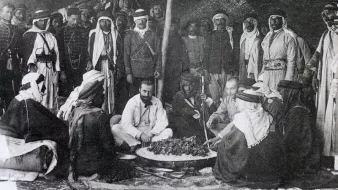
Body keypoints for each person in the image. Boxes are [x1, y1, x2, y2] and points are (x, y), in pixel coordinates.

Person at [206, 89, 285, 188]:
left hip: (247, 165)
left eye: (238, 102)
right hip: (267, 168)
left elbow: (232, 140)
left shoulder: (242, 117)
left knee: (225, 144)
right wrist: (219, 137)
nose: (236, 104)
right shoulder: (267, 116)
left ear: (246, 103)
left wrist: (223, 142)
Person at [0, 72, 69, 176]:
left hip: (8, 135)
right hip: (10, 139)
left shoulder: (21, 98)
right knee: (56, 142)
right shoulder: (27, 103)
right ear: (34, 86)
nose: (43, 92)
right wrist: (62, 129)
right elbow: (34, 127)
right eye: (41, 88)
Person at [57, 70, 116, 182]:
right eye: (101, 93)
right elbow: (109, 148)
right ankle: (96, 176)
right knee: (127, 169)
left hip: (77, 166)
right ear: (93, 97)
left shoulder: (75, 110)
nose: (103, 96)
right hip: (94, 167)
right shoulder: (100, 116)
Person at [307, 2, 338, 158]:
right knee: (324, 112)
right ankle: (327, 153)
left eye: (332, 15)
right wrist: (311, 75)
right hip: (325, 79)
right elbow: (316, 56)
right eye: (327, 17)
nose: (330, 21)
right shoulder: (325, 35)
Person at [276, 80, 320, 179]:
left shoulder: (298, 112)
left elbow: (291, 142)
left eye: (281, 92)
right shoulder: (293, 109)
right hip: (297, 155)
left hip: (303, 161)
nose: (279, 96)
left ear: (289, 94)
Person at [111, 80, 173, 150]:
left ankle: (151, 145)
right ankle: (136, 144)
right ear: (139, 90)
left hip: (151, 135)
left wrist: (151, 134)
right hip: (135, 135)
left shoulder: (157, 102)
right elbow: (126, 124)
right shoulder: (132, 102)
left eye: (149, 92)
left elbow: (162, 122)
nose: (147, 95)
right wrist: (140, 135)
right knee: (115, 128)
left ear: (152, 92)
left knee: (169, 131)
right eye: (144, 91)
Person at [21, 8, 60, 110]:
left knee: (51, 91)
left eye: (45, 20)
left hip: (50, 68)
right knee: (40, 90)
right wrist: (32, 71)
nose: (43, 23)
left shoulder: (51, 36)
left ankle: (50, 114)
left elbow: (56, 54)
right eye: (40, 21)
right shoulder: (29, 35)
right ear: (35, 22)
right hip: (38, 68)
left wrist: (57, 70)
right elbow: (27, 55)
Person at [87, 11, 123, 115]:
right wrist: (89, 62)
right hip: (98, 65)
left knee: (110, 87)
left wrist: (119, 67)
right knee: (98, 87)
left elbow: (119, 53)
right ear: (99, 22)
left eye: (107, 21)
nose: (105, 23)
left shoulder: (115, 34)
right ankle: (98, 112)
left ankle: (109, 111)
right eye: (102, 21)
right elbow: (89, 51)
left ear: (111, 22)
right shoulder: (93, 34)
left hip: (110, 65)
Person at [124, 9, 161, 96]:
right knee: (135, 96)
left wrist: (158, 69)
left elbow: (158, 54)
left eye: (143, 19)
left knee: (149, 96)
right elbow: (126, 54)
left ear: (146, 20)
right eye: (138, 19)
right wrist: (128, 73)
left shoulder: (153, 35)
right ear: (135, 20)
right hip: (134, 72)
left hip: (149, 72)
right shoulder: (129, 35)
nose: (141, 21)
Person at [171, 73, 216, 141]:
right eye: (185, 86)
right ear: (182, 86)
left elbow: (214, 111)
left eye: (190, 85)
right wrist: (191, 112)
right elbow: (176, 110)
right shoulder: (179, 96)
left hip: (199, 130)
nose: (187, 89)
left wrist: (207, 100)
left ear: (194, 85)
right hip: (185, 130)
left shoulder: (200, 95)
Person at [205, 10, 236, 106]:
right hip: (213, 69)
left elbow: (235, 52)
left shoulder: (231, 34)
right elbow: (206, 53)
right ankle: (217, 115)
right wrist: (205, 70)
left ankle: (226, 115)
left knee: (228, 94)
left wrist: (235, 69)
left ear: (226, 21)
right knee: (215, 95)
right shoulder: (210, 35)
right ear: (214, 22)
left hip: (227, 69)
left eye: (222, 20)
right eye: (217, 20)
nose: (220, 22)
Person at [260, 8, 297, 90]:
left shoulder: (288, 37)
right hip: (267, 75)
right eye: (272, 19)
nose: (274, 21)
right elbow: (264, 59)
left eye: (277, 19)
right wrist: (261, 75)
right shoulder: (267, 37)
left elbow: (291, 61)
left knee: (278, 97)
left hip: (281, 74)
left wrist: (287, 81)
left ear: (282, 21)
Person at [56, 8, 88, 96]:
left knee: (81, 90)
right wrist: (62, 71)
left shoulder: (83, 31)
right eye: (73, 19)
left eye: (77, 19)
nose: (75, 22)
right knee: (67, 91)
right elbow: (60, 52)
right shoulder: (60, 32)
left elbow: (85, 50)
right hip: (66, 67)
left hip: (80, 66)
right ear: (67, 18)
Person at [0, 3, 23, 110]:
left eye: (11, 12)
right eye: (7, 12)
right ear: (0, 13)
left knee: (12, 90)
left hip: (13, 64)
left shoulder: (16, 29)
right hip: (0, 64)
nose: (9, 15)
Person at [163, 18, 189, 104]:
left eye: (174, 26)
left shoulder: (180, 39)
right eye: (171, 26)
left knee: (175, 90)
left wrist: (185, 69)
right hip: (166, 69)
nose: (173, 28)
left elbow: (184, 55)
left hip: (177, 70)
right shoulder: (164, 38)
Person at [239, 12, 263, 81]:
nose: (249, 24)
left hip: (256, 67)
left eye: (251, 22)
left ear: (255, 23)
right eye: (247, 22)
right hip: (244, 67)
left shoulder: (260, 38)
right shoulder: (243, 38)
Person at [115, 11, 129, 114]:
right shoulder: (112, 33)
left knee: (124, 92)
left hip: (125, 66)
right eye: (119, 19)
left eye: (123, 20)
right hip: (114, 67)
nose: (120, 22)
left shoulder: (128, 34)